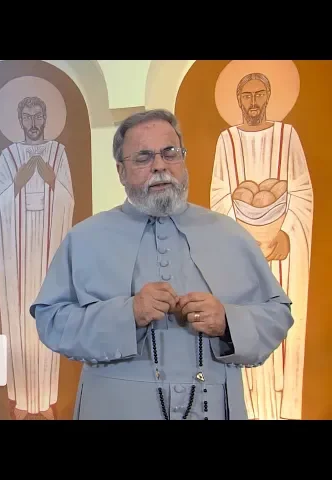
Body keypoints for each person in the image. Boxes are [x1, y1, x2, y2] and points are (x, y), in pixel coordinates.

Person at [29, 108, 294, 420]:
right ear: (121, 171)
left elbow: (277, 314)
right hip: (116, 408)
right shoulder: (85, 237)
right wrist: (127, 314)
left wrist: (228, 321)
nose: (160, 166)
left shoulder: (228, 233)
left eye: (170, 153)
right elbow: (51, 320)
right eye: (143, 157)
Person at [211, 72, 313, 420]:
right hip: (242, 252)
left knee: (281, 318)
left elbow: (302, 191)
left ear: (268, 96)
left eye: (259, 94)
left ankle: (284, 409)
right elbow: (219, 196)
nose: (253, 102)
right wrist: (244, 238)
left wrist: (286, 232)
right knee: (244, 318)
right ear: (238, 100)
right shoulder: (226, 140)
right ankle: (248, 408)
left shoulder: (288, 136)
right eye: (246, 95)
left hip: (282, 252)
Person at [0, 96, 74, 420]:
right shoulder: (8, 157)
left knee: (48, 312)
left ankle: (46, 399)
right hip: (17, 251)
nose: (33, 122)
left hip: (48, 247)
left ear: (46, 118)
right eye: (27, 116)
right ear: (20, 120)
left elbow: (68, 200)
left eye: (39, 115)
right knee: (19, 320)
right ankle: (23, 400)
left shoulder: (58, 153)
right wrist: (21, 179)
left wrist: (49, 178)